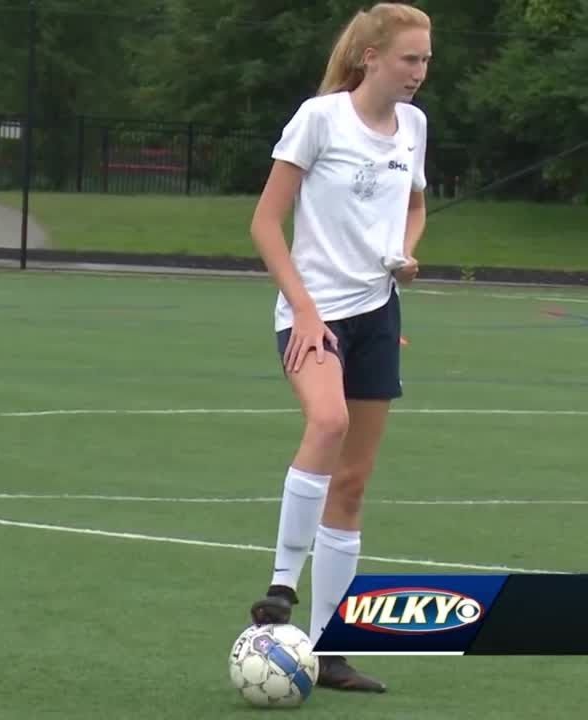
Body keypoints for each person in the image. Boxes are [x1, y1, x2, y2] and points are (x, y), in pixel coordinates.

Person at [246, 3, 431, 693]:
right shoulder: (319, 118)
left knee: (352, 484)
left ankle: (329, 652)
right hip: (314, 313)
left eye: (426, 60)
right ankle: (279, 587)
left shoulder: (414, 126)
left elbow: (413, 207)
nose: (420, 73)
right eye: (410, 59)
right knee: (328, 422)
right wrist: (302, 310)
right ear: (371, 58)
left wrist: (405, 254)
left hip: (379, 314)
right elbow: (266, 222)